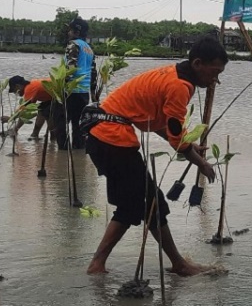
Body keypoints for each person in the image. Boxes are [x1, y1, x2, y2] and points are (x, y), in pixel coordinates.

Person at [85, 36, 226, 276]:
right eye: (213, 73)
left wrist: (187, 144)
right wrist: (201, 162)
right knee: (136, 206)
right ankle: (97, 265)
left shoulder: (174, 74)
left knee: (152, 204)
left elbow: (162, 127)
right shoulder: (180, 86)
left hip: (107, 135)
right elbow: (175, 140)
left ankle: (178, 263)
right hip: (111, 137)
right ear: (197, 64)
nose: (216, 80)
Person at [58, 16, 96, 150]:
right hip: (84, 93)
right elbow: (93, 73)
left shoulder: (73, 45)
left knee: (62, 123)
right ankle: (78, 153)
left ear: (77, 32)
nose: (68, 33)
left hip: (71, 91)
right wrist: (94, 96)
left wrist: (61, 88)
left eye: (70, 30)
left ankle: (62, 154)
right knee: (78, 125)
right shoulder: (89, 49)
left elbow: (70, 68)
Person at [1, 75, 54, 140]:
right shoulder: (30, 87)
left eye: (14, 90)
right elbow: (26, 112)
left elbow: (23, 109)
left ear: (18, 86)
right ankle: (35, 134)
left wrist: (11, 118)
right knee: (41, 111)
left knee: (46, 113)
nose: (15, 93)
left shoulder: (29, 88)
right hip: (51, 97)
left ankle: (52, 137)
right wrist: (16, 128)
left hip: (58, 95)